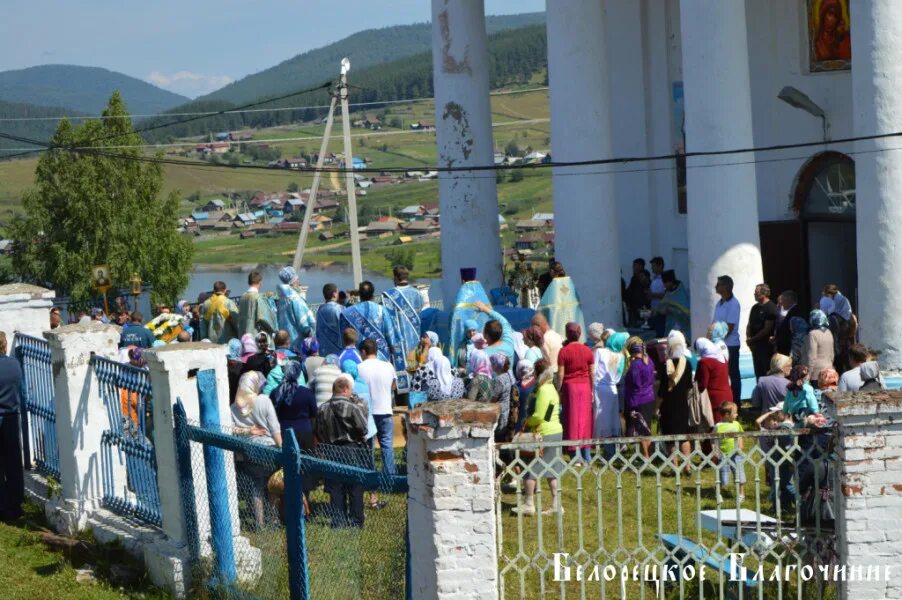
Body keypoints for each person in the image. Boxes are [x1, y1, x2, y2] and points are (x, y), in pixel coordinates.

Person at [315, 377, 369, 528]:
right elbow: (364, 428)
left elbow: (318, 431)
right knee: (355, 485)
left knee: (335, 486)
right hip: (351, 448)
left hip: (331, 449)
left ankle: (338, 520)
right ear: (345, 389)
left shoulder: (322, 408)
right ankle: (356, 520)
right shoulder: (353, 407)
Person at [511, 359, 563, 516]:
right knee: (552, 470)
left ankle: (528, 504)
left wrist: (527, 422)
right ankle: (556, 504)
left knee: (530, 470)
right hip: (555, 431)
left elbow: (540, 416)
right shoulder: (552, 388)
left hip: (544, 434)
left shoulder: (543, 390)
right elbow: (548, 414)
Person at [231, 371, 282, 528]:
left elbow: (230, 429)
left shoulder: (234, 406)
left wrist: (248, 431)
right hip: (268, 449)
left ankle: (259, 524)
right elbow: (274, 428)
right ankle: (273, 519)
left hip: (248, 451)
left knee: (257, 487)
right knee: (272, 485)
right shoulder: (264, 400)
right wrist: (282, 448)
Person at [357, 339, 397, 476]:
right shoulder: (388, 366)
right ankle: (390, 475)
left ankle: (370, 475)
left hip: (367, 412)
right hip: (385, 408)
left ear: (363, 351)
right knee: (387, 444)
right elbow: (394, 386)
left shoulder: (359, 367)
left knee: (368, 446)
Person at [382, 265, 425, 393]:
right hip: (415, 341)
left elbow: (387, 320)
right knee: (416, 372)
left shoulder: (389, 296)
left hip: (398, 342)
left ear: (395, 277)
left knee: (402, 377)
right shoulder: (418, 294)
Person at [557, 323, 595, 462]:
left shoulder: (564, 351)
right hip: (585, 387)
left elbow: (560, 375)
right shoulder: (588, 350)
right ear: (579, 334)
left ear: (567, 334)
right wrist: (592, 390)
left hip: (570, 387)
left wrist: (558, 390)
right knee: (585, 420)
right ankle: (587, 454)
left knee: (572, 420)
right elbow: (592, 373)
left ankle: (575, 455)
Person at [658, 331, 693, 470]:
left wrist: (657, 407)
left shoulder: (665, 365)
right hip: (683, 404)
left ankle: (675, 467)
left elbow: (661, 390)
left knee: (670, 437)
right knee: (683, 436)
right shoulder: (688, 364)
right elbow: (689, 387)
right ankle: (688, 466)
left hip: (668, 405)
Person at [340, 281, 393, 365]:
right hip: (380, 356)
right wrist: (392, 348)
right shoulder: (381, 310)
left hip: (359, 357)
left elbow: (344, 338)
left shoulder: (347, 313)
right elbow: (389, 333)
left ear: (360, 294)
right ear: (373, 294)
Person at [0, 332, 24, 522]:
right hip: (11, 417)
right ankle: (15, 504)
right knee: (13, 463)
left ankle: (2, 505)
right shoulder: (14, 364)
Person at [272, 362, 316, 450]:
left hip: (283, 432)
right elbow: (314, 413)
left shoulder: (276, 392)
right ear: (299, 374)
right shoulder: (306, 393)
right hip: (304, 433)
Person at [623, 337, 656, 457]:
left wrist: (632, 404)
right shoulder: (649, 361)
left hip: (638, 400)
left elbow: (635, 385)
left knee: (641, 428)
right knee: (647, 427)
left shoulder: (635, 365)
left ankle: (646, 455)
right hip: (649, 397)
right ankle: (651, 453)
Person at [537, 262, 586, 341]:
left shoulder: (554, 284)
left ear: (552, 271)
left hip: (558, 317)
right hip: (571, 315)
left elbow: (545, 305)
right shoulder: (569, 282)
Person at [593, 331, 627, 445]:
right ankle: (613, 440)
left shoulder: (600, 351)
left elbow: (594, 370)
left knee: (600, 415)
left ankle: (598, 440)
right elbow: (618, 378)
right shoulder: (620, 356)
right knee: (612, 416)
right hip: (612, 388)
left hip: (600, 388)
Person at [712, 275, 741, 403]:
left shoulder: (734, 304)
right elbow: (715, 323)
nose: (716, 287)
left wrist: (715, 336)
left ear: (726, 287)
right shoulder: (719, 303)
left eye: (718, 284)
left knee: (733, 375)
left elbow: (729, 327)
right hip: (719, 344)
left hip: (730, 345)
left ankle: (735, 403)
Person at [275, 267, 316, 353]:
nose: (299, 282)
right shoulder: (295, 299)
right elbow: (302, 321)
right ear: (294, 281)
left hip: (284, 339)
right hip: (297, 341)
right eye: (297, 279)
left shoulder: (282, 298)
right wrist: (310, 332)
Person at [712, 402, 745, 504]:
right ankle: (719, 493)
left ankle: (741, 494)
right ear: (727, 414)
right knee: (723, 477)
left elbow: (740, 435)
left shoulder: (736, 424)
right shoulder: (718, 426)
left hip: (736, 455)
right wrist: (715, 451)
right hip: (723, 455)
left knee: (739, 475)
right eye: (735, 413)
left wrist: (741, 446)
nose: (737, 414)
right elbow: (713, 439)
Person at [694, 338, 732, 422]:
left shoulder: (704, 362)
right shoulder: (722, 358)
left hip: (714, 399)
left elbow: (702, 384)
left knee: (716, 425)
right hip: (728, 394)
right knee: (728, 424)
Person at [746, 284, 778, 380]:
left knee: (767, 372)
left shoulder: (771, 308)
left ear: (764, 293)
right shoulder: (754, 307)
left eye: (757, 292)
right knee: (758, 372)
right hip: (755, 346)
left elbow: (767, 329)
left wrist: (753, 339)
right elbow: (749, 324)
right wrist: (748, 338)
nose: (754, 293)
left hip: (766, 346)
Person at [474, 301, 516, 367]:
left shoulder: (483, 355)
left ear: (486, 336)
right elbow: (503, 321)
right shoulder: (508, 343)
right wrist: (485, 309)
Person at [263, 331, 304, 395]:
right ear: (288, 341)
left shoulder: (268, 358)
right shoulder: (297, 358)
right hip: (293, 394)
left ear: (275, 341)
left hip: (273, 394)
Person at [237, 271, 277, 339]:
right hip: (255, 336)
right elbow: (264, 318)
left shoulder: (243, 297)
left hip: (243, 335)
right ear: (260, 282)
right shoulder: (258, 298)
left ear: (248, 282)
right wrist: (274, 329)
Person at [801, 309, 835, 385]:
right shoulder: (829, 332)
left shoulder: (812, 334)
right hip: (830, 371)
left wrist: (808, 374)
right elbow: (832, 355)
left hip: (817, 374)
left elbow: (811, 357)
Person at [656, 270, 691, 335]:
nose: (664, 286)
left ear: (671, 282)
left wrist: (672, 309)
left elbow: (686, 312)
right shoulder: (668, 292)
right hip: (670, 327)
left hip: (682, 329)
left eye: (665, 283)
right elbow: (662, 306)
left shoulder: (681, 294)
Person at [491, 353, 516, 442]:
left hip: (500, 412)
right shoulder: (508, 375)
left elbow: (494, 398)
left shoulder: (499, 380)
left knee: (498, 437)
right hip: (506, 409)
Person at [773, 290, 805, 356]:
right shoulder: (792, 311)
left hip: (791, 351)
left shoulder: (795, 312)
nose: (781, 302)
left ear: (789, 299)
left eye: (783, 300)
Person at [315, 283, 344, 358]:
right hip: (338, 351)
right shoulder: (340, 309)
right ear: (334, 294)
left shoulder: (320, 310)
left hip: (323, 350)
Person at [625, 258, 650, 326]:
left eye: (635, 266)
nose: (633, 268)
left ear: (640, 266)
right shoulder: (634, 278)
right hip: (634, 307)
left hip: (642, 307)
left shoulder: (644, 277)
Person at [648, 257, 667, 337]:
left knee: (661, 334)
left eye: (654, 266)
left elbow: (666, 295)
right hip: (654, 311)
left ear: (660, 266)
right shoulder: (654, 279)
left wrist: (653, 295)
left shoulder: (665, 279)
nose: (652, 268)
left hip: (662, 312)